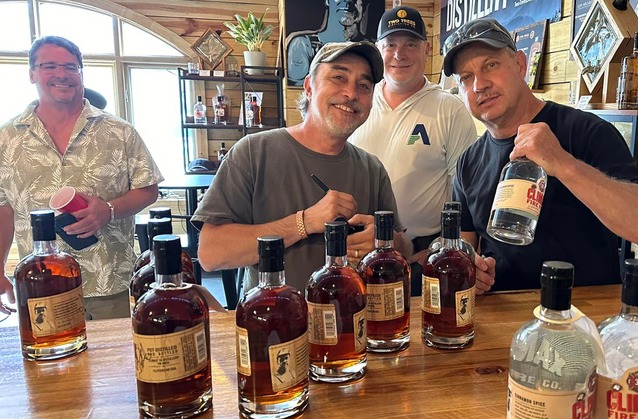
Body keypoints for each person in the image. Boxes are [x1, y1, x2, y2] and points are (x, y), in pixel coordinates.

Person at [441, 18, 638, 293]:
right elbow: (465, 248)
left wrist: (564, 164)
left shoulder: (586, 132)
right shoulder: (468, 162)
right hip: (503, 317)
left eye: (491, 65)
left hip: (584, 318)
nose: (479, 85)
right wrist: (471, 270)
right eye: (466, 77)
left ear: (520, 65)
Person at [193, 41, 413, 292]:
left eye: (363, 85)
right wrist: (304, 222)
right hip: (276, 324)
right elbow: (211, 253)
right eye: (338, 77)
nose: (351, 93)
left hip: (353, 325)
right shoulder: (253, 152)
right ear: (309, 86)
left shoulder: (372, 169)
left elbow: (406, 246)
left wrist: (386, 241)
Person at [0, 36, 163, 319]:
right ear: (31, 73)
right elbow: (4, 208)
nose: (62, 74)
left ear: (81, 73)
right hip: (42, 282)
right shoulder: (6, 138)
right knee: (46, 361)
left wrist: (108, 211)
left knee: (113, 363)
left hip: (109, 280)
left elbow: (148, 190)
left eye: (71, 67)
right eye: (49, 66)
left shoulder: (119, 132)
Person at [349, 5, 477, 293]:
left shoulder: (449, 109)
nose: (399, 53)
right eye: (391, 44)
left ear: (426, 49)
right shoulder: (358, 103)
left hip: (421, 256)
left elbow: (465, 194)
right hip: (357, 251)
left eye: (410, 44)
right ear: (379, 49)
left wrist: (441, 246)